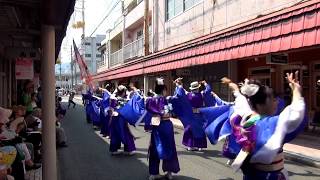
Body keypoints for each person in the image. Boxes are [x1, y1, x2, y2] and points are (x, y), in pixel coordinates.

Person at [220, 72, 305, 180]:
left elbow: (241, 101)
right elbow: (295, 113)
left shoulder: (246, 118)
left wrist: (235, 88)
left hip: (251, 175)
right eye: (272, 99)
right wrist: (296, 90)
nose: (276, 102)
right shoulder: (269, 124)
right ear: (260, 104)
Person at [147, 78, 180, 180]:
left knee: (155, 148)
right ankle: (169, 172)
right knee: (169, 148)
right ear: (163, 90)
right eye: (165, 89)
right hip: (166, 126)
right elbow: (178, 99)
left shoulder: (151, 100)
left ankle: (153, 173)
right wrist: (179, 85)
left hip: (157, 126)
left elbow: (149, 109)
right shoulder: (167, 99)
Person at [172, 78, 213, 151]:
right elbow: (209, 90)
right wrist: (205, 84)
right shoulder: (202, 94)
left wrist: (178, 84)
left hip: (190, 115)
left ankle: (190, 146)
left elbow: (180, 92)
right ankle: (199, 146)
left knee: (190, 130)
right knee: (200, 130)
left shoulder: (188, 95)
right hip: (199, 115)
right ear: (198, 88)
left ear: (191, 88)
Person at [109, 85, 136, 155]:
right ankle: (129, 149)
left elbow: (111, 109)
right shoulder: (126, 100)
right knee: (126, 132)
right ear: (123, 92)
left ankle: (114, 150)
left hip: (115, 118)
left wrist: (110, 119)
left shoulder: (114, 99)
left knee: (115, 134)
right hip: (122, 118)